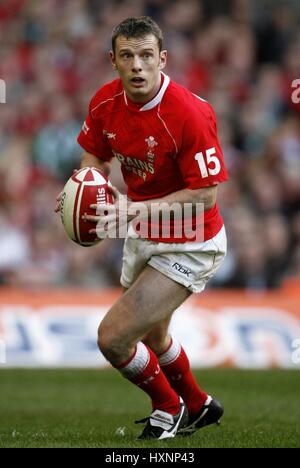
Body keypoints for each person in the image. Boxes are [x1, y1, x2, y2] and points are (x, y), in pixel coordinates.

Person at [55, 16, 228, 440]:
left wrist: (130, 210)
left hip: (191, 239)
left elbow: (206, 196)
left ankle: (168, 408)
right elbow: (93, 159)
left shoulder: (188, 113)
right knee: (154, 335)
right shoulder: (103, 103)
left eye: (146, 56)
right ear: (112, 61)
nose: (137, 66)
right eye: (127, 56)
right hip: (145, 231)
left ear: (162, 60)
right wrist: (86, 191)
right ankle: (200, 405)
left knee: (114, 338)